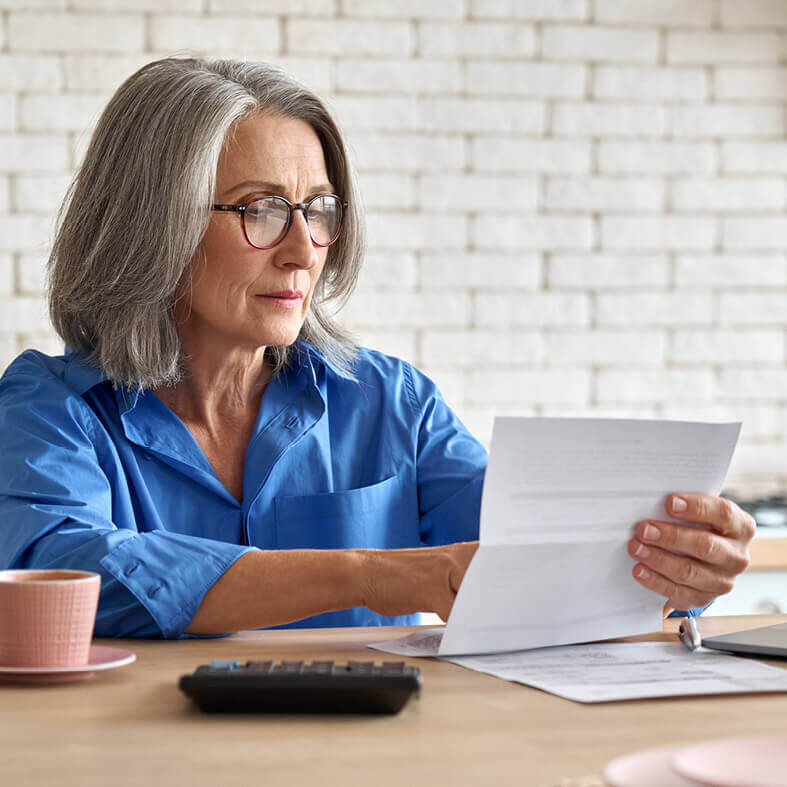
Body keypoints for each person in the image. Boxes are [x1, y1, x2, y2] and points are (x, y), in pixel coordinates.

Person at [0, 57, 755, 639]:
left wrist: (669, 559)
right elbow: (63, 576)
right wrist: (372, 573)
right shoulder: (52, 410)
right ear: (150, 223)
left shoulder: (392, 403)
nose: (304, 250)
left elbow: (532, 549)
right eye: (262, 210)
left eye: (319, 210)